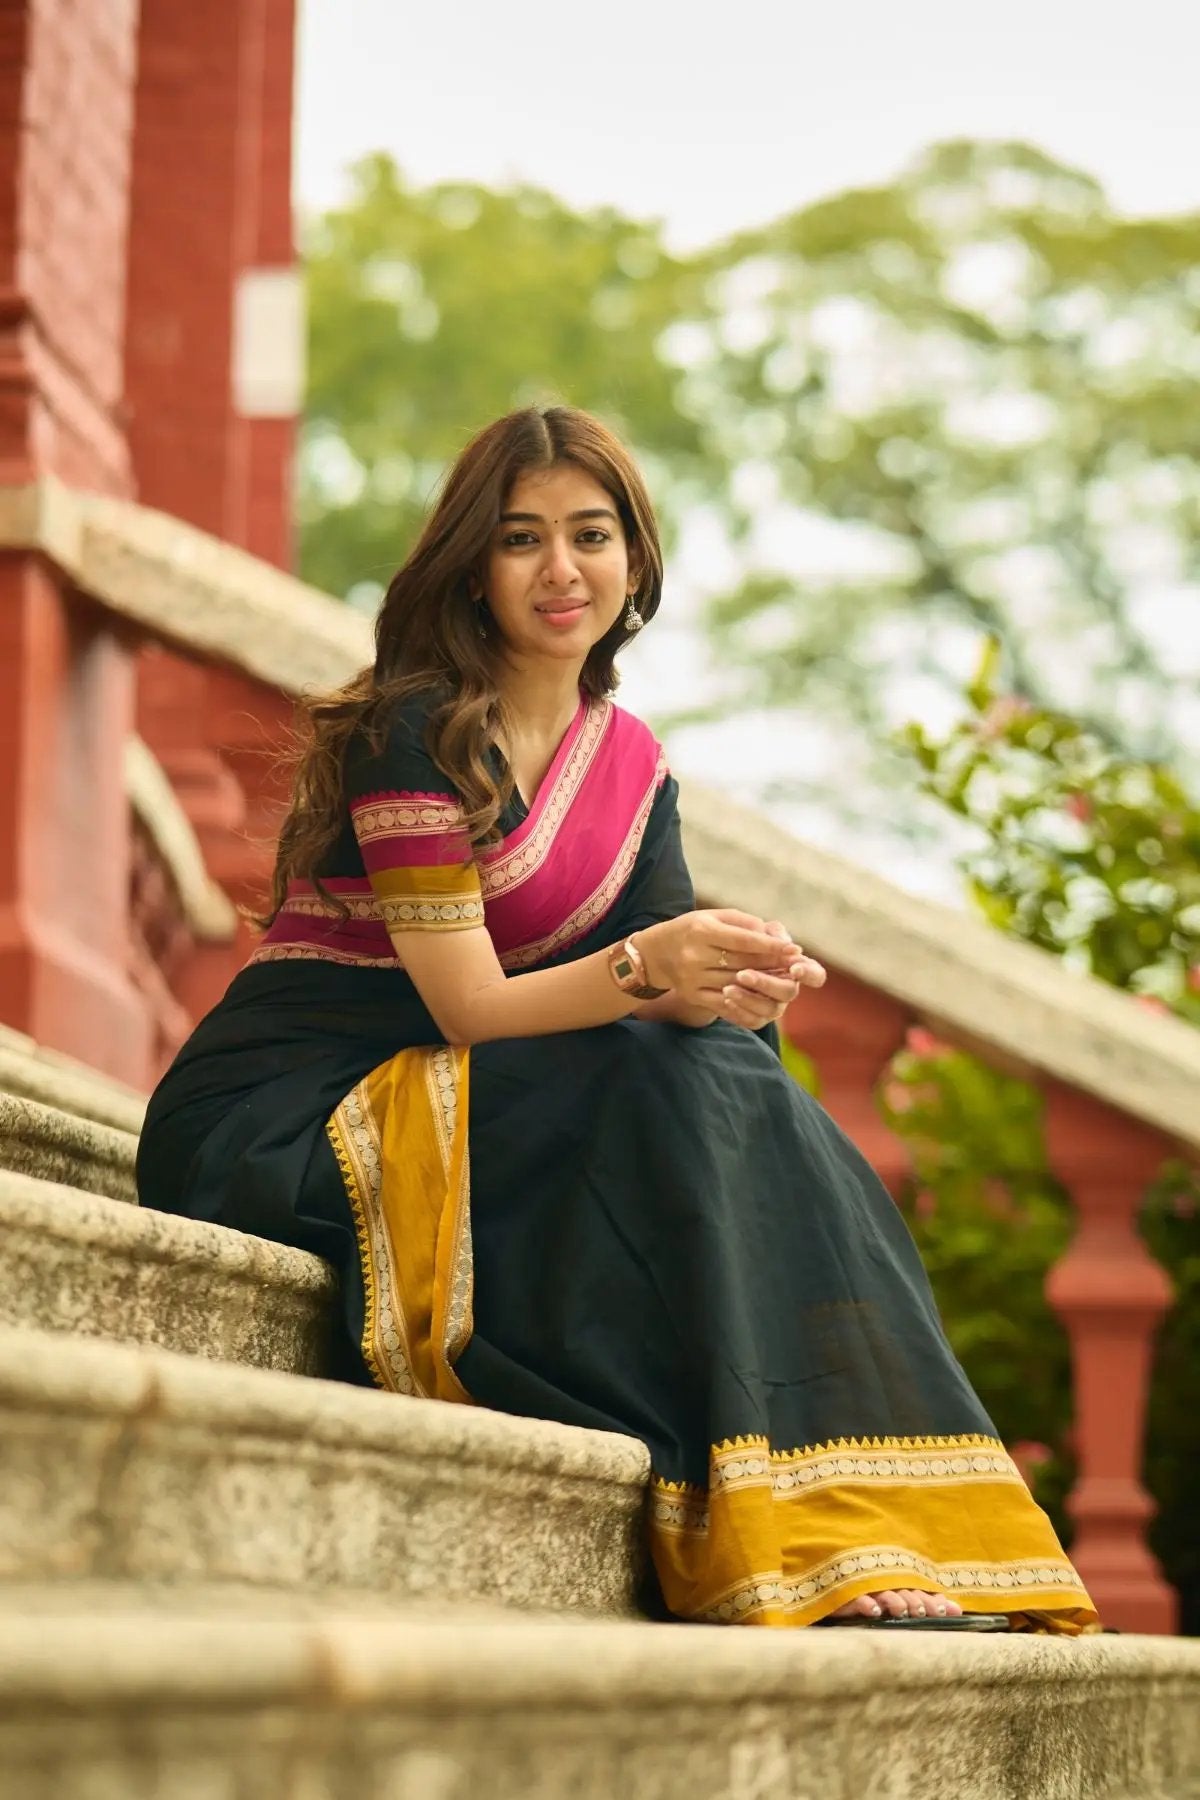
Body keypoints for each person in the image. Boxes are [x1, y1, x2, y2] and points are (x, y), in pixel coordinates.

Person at [137, 405, 1097, 1633]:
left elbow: (652, 1010)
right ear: (472, 567)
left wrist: (735, 984)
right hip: (289, 1116)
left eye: (591, 536)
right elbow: (474, 1004)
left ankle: (852, 1515)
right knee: (669, 1074)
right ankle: (777, 1519)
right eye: (522, 539)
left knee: (735, 1082)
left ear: (635, 560)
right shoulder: (412, 733)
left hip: (470, 1094)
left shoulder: (625, 763)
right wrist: (657, 966)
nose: (561, 571)